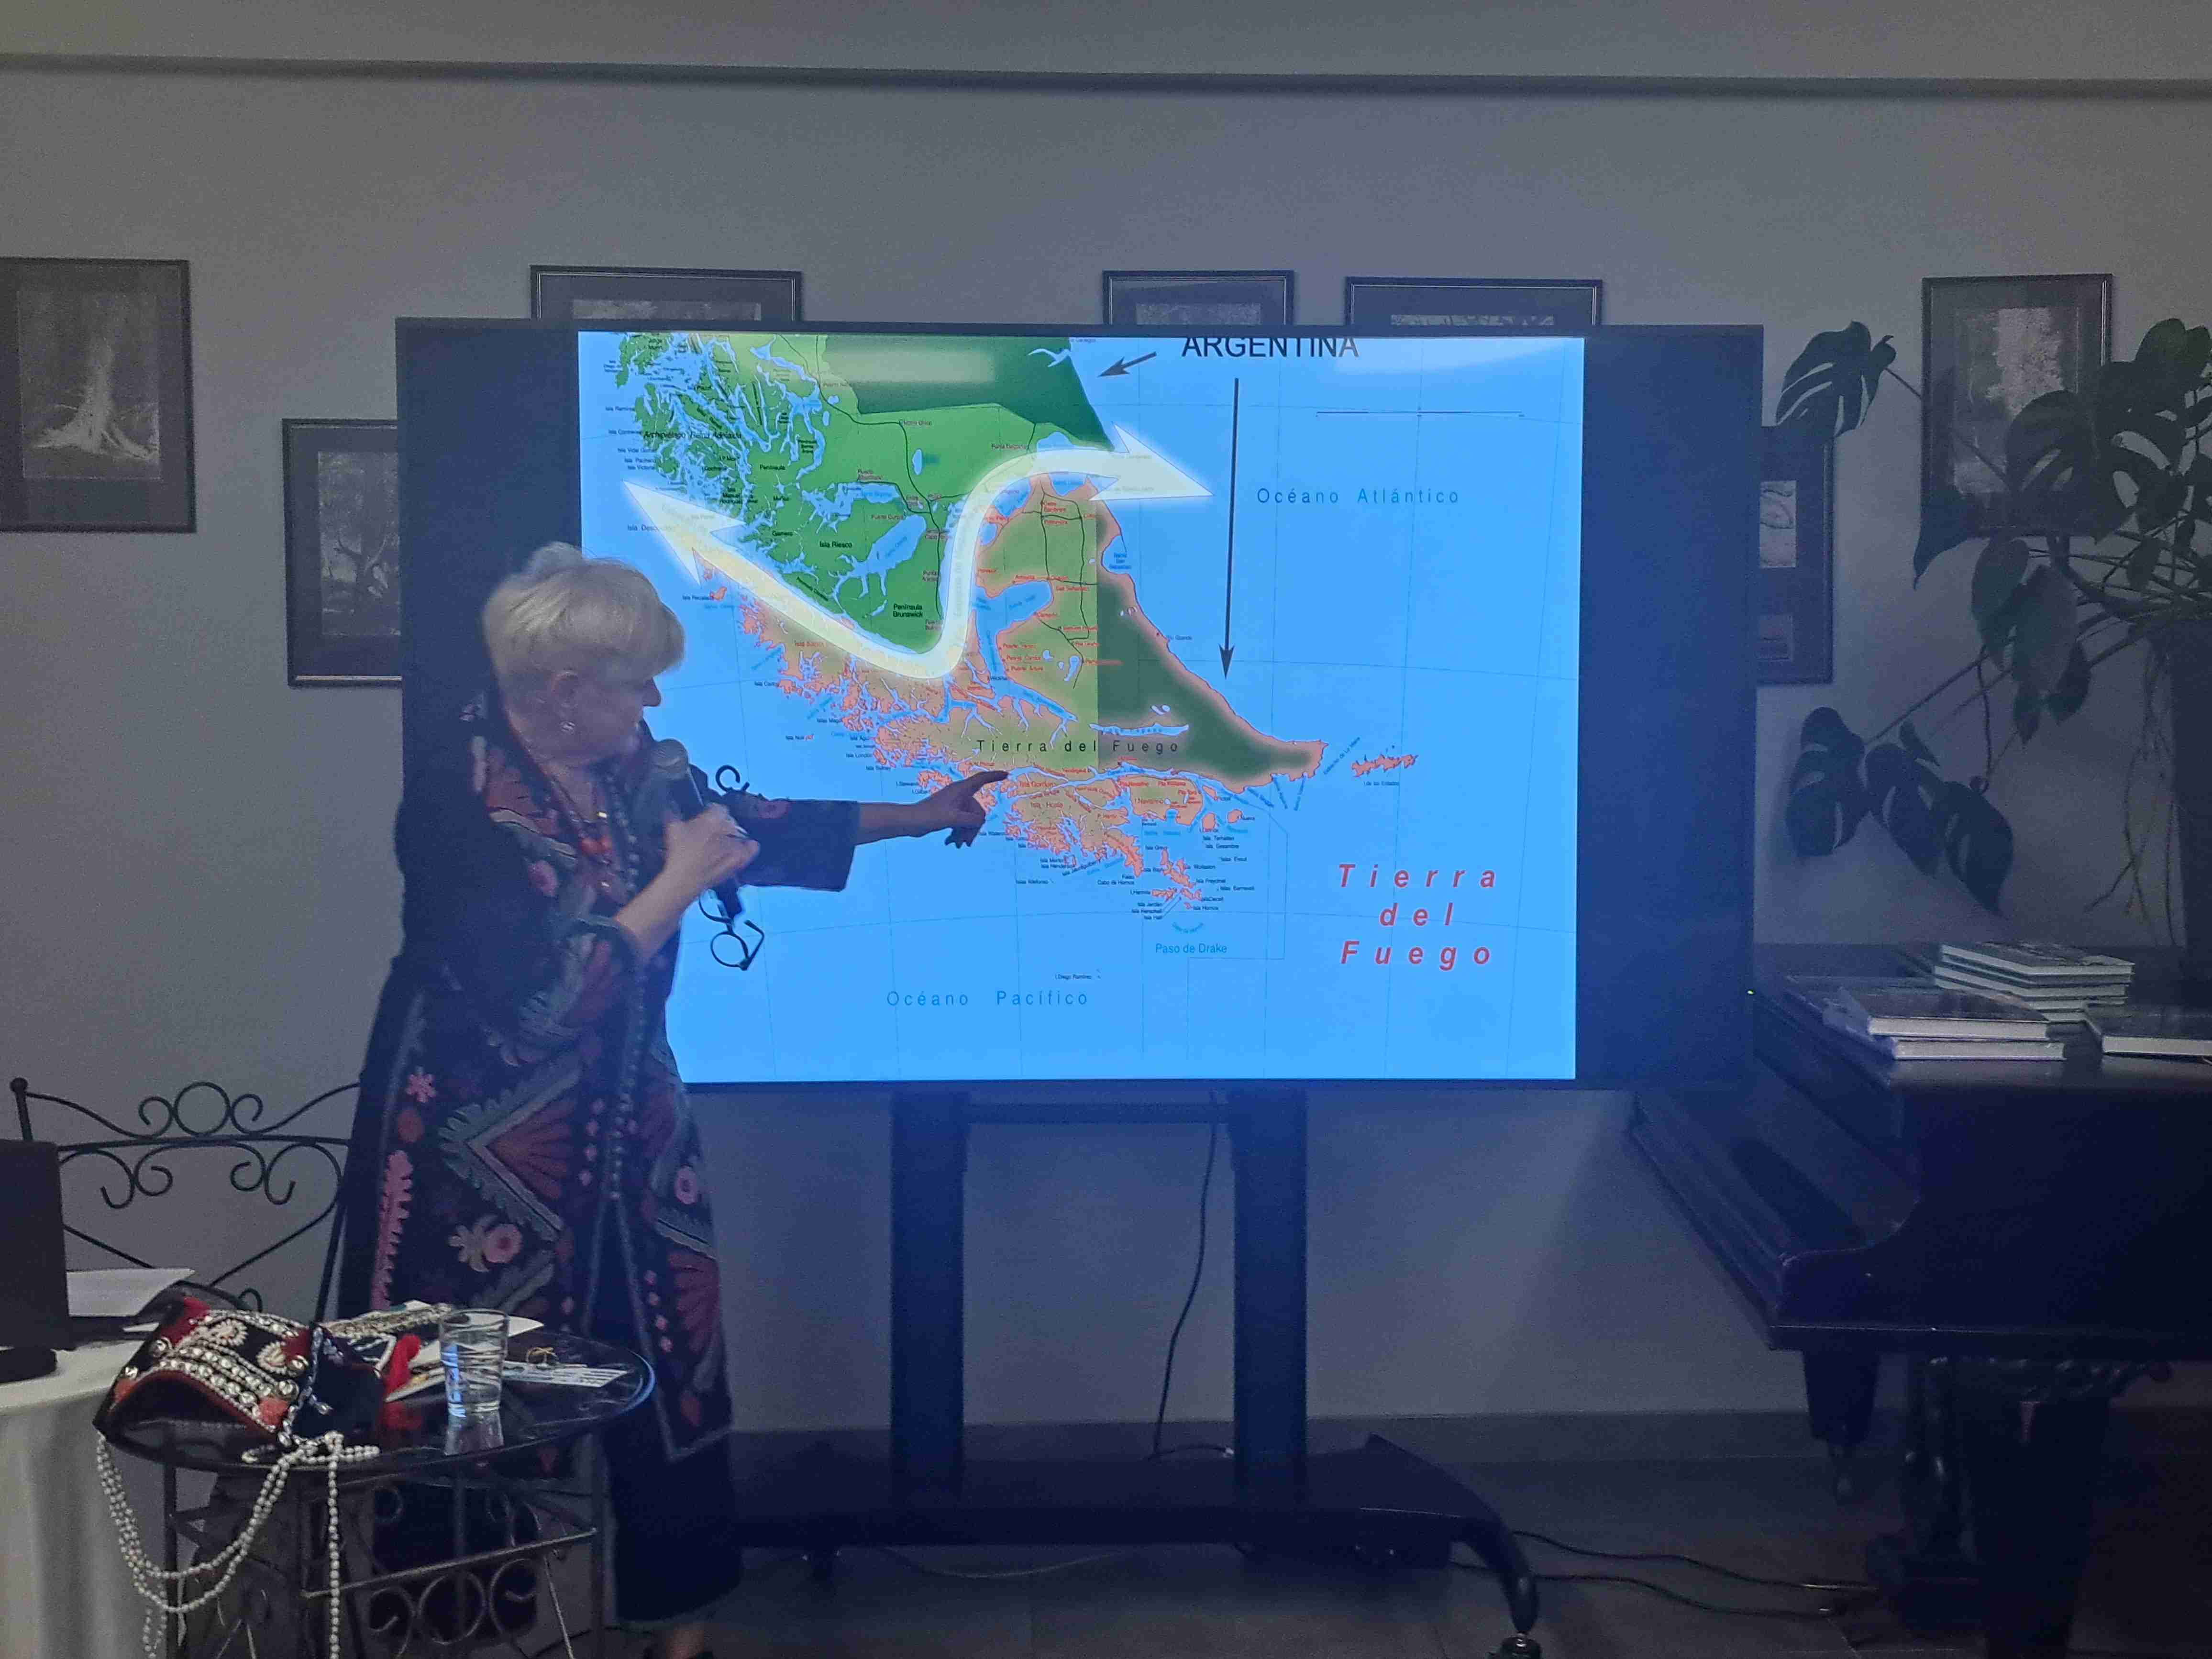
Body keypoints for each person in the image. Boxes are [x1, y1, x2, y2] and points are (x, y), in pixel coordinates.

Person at [338, 544, 1002, 1659]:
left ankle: (679, 1635)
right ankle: (459, 1635)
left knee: (673, 1374)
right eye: (633, 681)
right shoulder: (457, 805)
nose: (653, 702)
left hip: (634, 1138)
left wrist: (919, 813)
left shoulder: (632, 772)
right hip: (476, 1162)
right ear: (561, 690)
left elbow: (754, 827)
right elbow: (543, 1002)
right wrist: (678, 880)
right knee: (464, 1403)